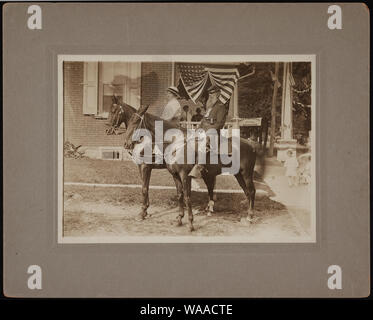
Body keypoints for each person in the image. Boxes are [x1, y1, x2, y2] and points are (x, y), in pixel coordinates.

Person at [189, 85, 228, 179]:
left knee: (203, 142)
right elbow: (203, 120)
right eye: (210, 94)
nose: (210, 96)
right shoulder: (210, 107)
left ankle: (200, 166)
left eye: (212, 95)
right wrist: (197, 130)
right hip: (204, 131)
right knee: (190, 139)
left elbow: (220, 123)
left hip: (213, 132)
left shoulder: (221, 107)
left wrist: (208, 131)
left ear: (217, 95)